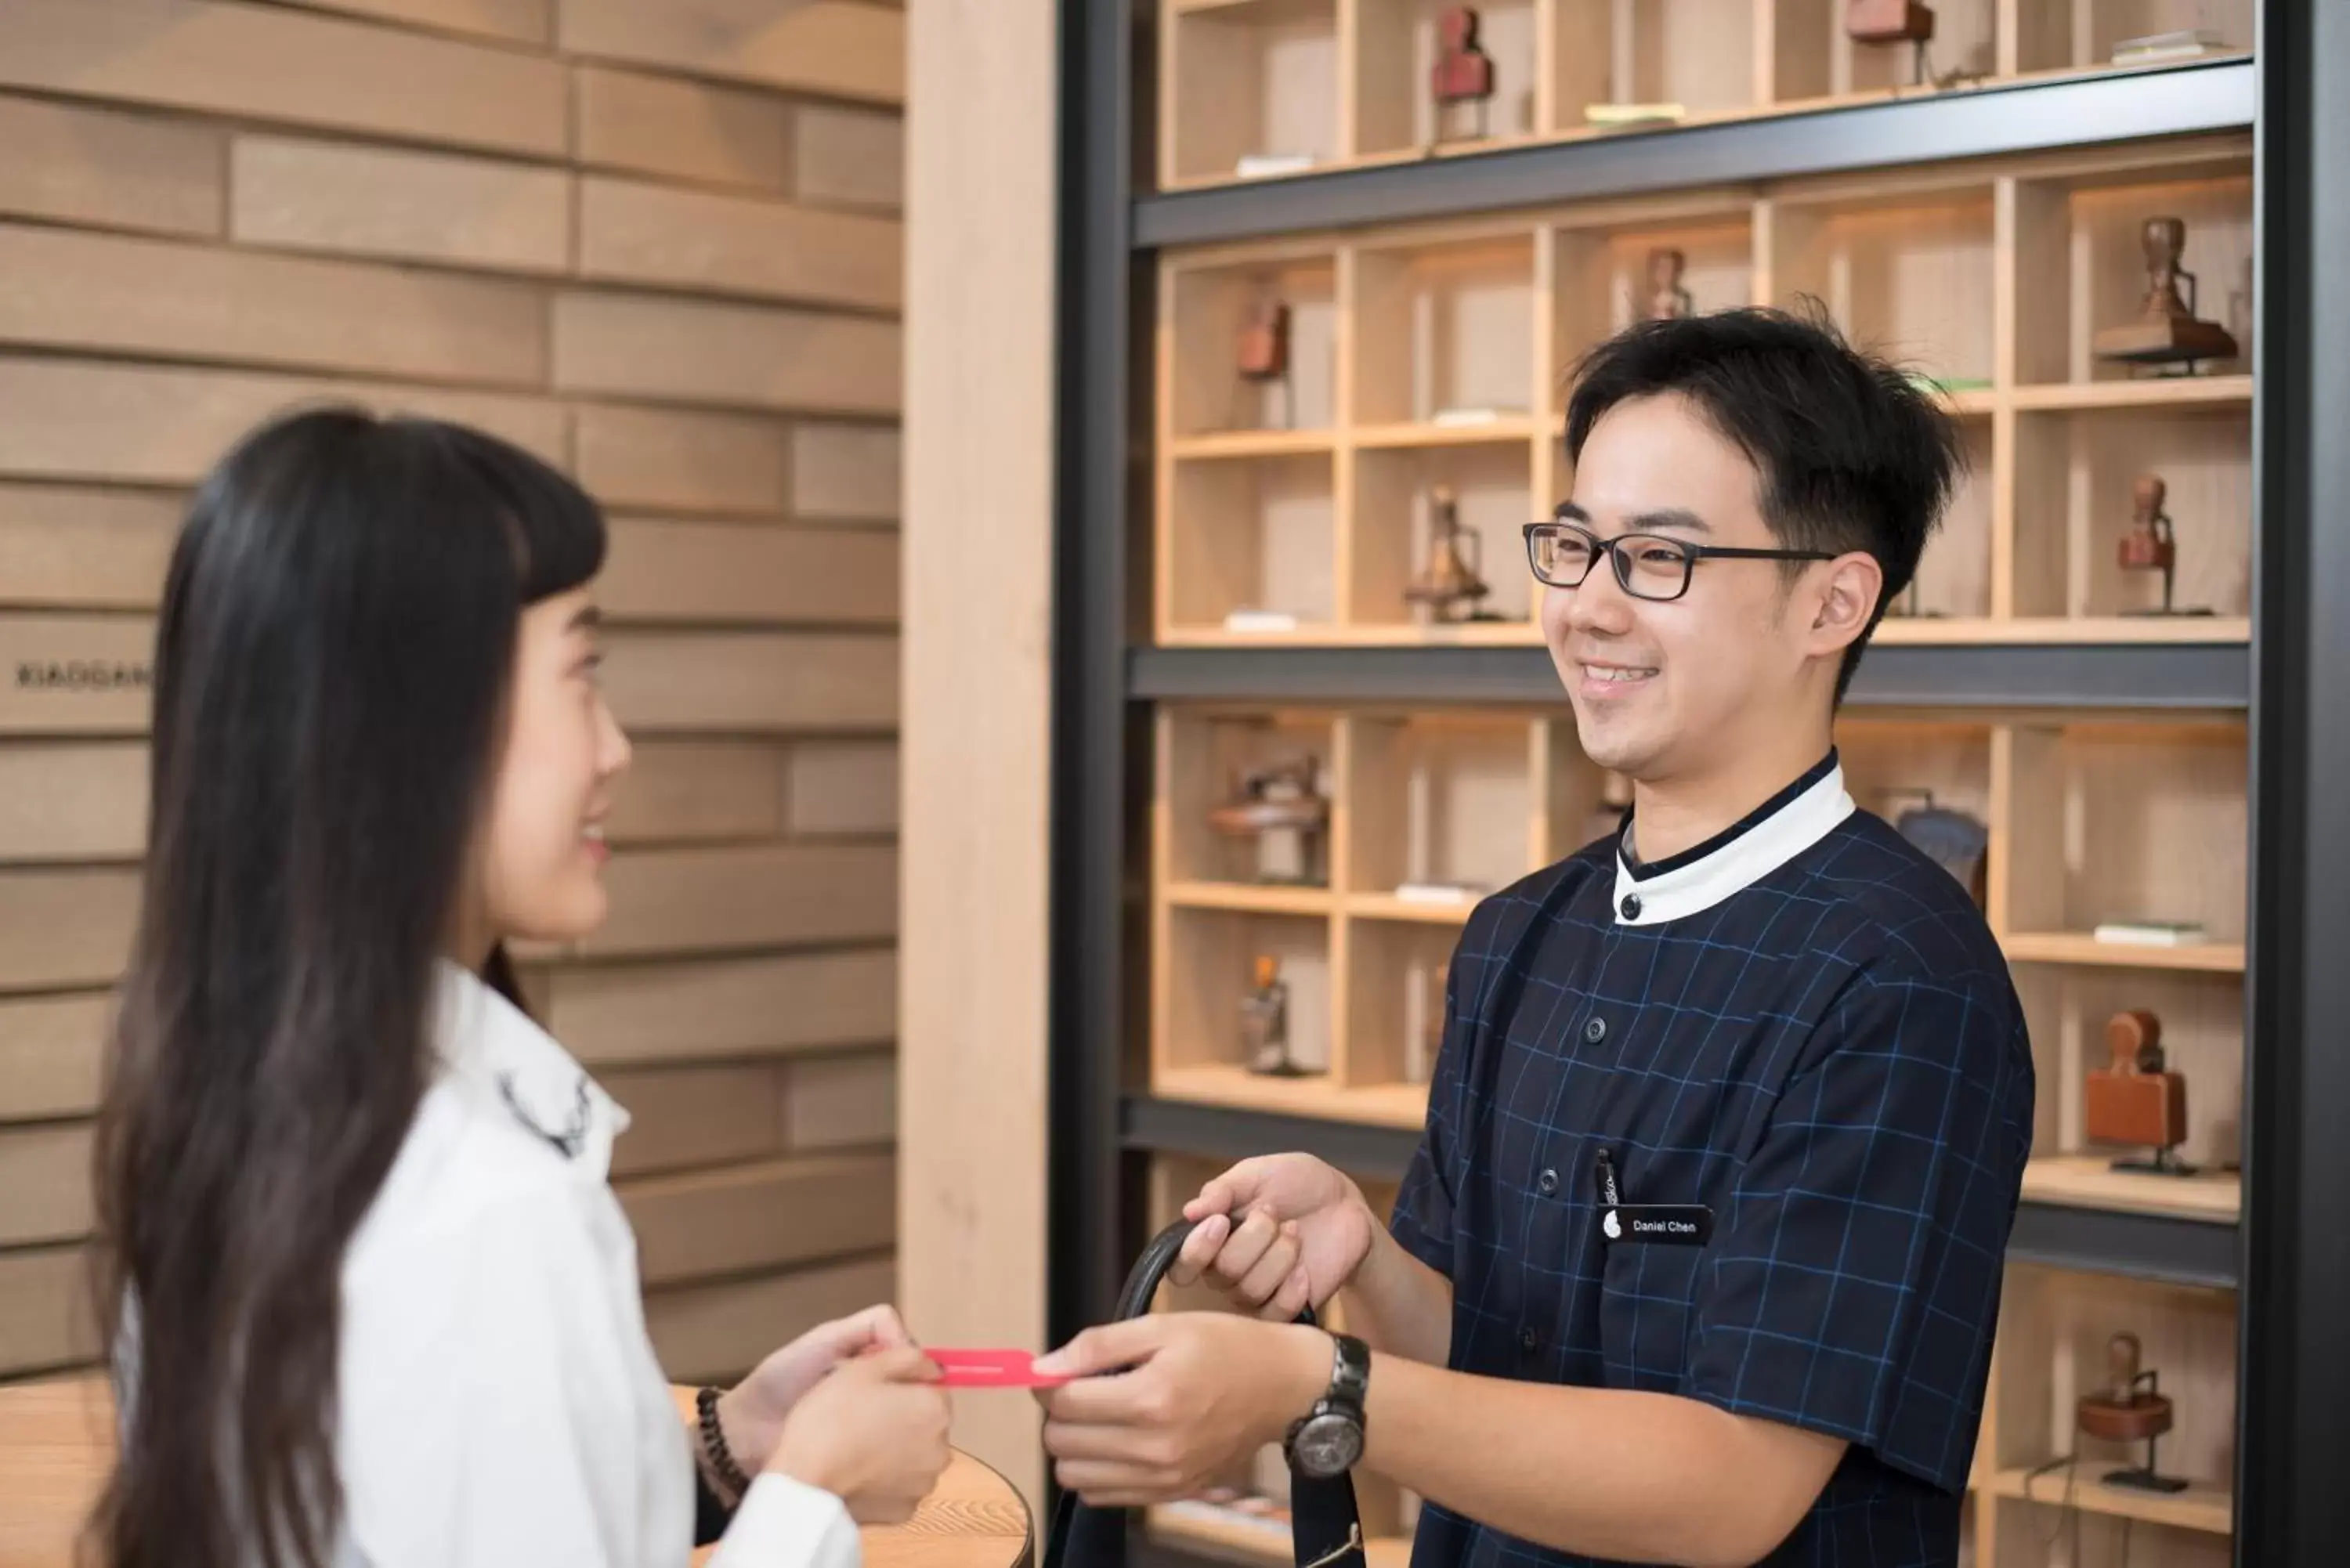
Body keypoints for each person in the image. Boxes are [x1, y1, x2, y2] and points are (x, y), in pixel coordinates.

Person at [1033, 308, 2037, 1567]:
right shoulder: (1520, 933)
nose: (1587, 609)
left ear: (1833, 600)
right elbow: (1489, 1356)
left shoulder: (1900, 978)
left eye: (1657, 560)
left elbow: (1731, 1490)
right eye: (1573, 547)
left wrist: (1315, 1385)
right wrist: (1369, 1261)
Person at [88, 408, 953, 1568]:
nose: (614, 749)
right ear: (406, 727)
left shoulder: (223, 1120)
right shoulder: (489, 1212)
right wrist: (817, 1491)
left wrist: (722, 1442)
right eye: (579, 673)